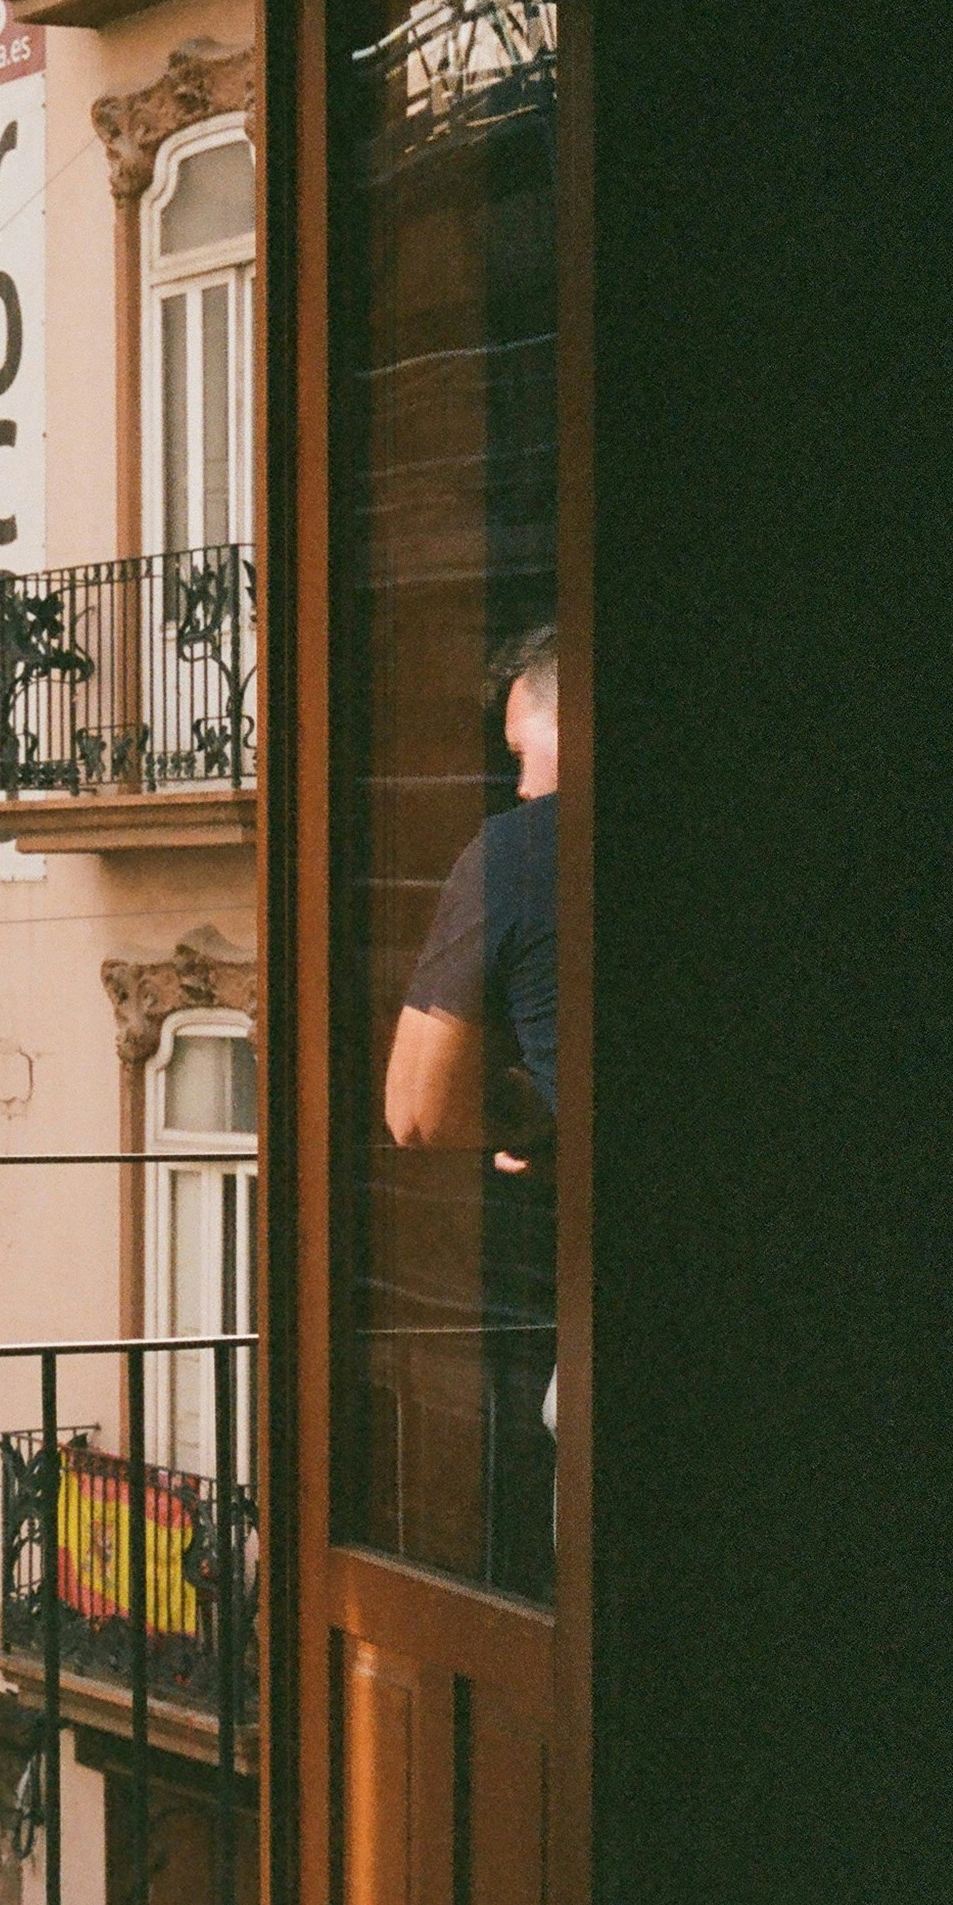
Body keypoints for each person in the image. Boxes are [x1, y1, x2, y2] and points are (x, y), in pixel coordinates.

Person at [385, 624, 560, 1513]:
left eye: (524, 751)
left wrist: (532, 1121)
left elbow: (418, 1111)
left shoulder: (522, 851)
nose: (522, 782)